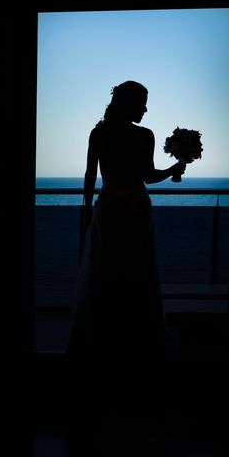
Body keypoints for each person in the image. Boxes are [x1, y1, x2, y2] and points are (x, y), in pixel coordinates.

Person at [66, 81, 186, 362]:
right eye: (142, 102)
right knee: (136, 270)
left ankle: (103, 340)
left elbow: (90, 175)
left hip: (109, 209)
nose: (145, 108)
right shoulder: (145, 136)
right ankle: (135, 340)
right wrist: (173, 169)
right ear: (129, 103)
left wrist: (87, 208)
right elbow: (147, 176)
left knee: (106, 271)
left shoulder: (100, 133)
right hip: (135, 209)